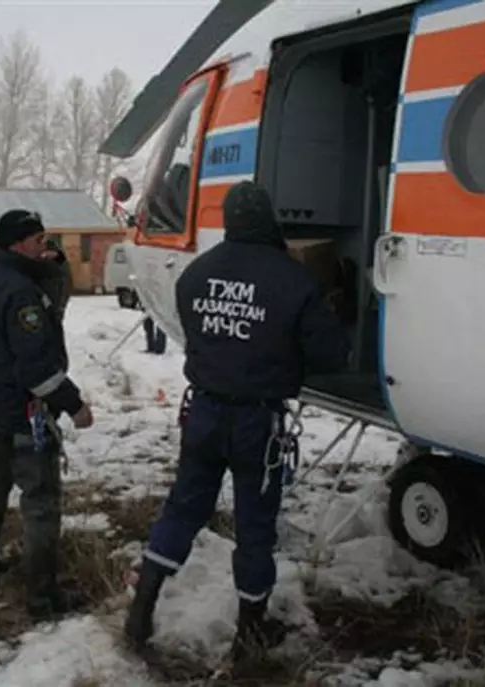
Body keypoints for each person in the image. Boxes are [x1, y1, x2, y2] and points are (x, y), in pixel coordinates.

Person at [124, 182, 350, 663]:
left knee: (182, 509)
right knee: (254, 527)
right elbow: (331, 355)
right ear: (268, 219)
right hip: (256, 423)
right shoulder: (294, 280)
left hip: (203, 413)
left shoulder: (196, 274)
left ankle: (141, 607)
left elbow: (198, 334)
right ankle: (250, 630)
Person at [0, 209, 94, 620]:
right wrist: (74, 405)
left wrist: (49, 269)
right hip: (25, 406)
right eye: (39, 240)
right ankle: (42, 596)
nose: (46, 246)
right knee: (41, 500)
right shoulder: (20, 292)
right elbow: (35, 367)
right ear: (17, 243)